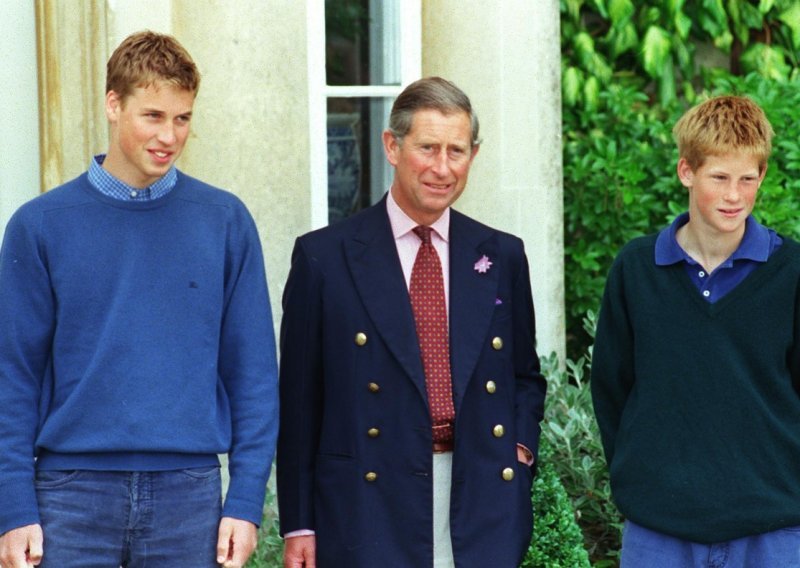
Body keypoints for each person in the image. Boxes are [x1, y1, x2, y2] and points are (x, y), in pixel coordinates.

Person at [0, 31, 278, 568]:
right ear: (112, 104)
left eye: (183, 118)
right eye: (153, 115)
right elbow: (12, 377)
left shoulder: (224, 222)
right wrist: (13, 507)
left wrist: (244, 501)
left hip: (189, 495)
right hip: (69, 494)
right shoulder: (39, 226)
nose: (169, 135)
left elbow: (255, 377)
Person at [276, 76, 547, 567]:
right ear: (392, 147)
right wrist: (299, 523)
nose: (442, 168)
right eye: (428, 148)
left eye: (457, 151)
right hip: (367, 503)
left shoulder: (502, 254)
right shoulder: (324, 258)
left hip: (480, 495)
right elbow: (299, 404)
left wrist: (520, 452)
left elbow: (525, 376)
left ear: (473, 155)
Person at [591, 95, 800, 566]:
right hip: (659, 529)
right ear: (687, 172)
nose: (735, 196)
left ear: (762, 177)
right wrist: (637, 477)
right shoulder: (636, 269)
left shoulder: (792, 272)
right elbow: (611, 387)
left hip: (775, 528)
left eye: (748, 179)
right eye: (720, 178)